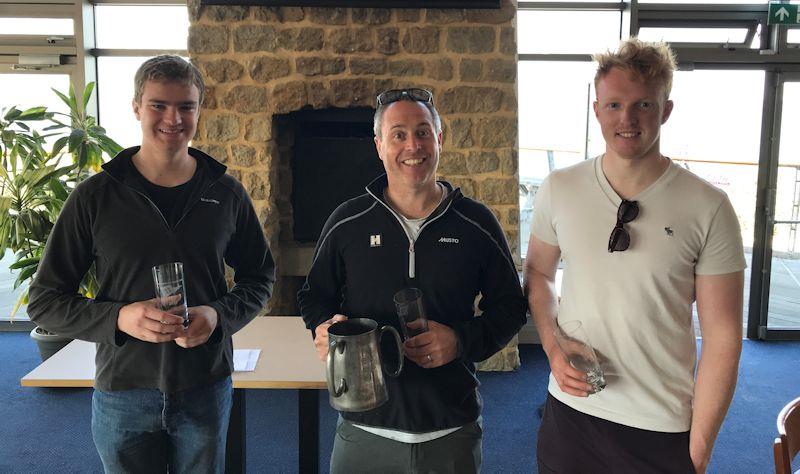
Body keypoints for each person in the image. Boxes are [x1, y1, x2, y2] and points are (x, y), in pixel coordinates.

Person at [27, 55, 275, 473]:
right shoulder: (95, 197)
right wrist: (119, 318)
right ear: (136, 107)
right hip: (122, 389)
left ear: (200, 109)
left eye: (186, 107)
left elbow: (260, 277)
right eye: (159, 105)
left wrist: (217, 315)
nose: (173, 118)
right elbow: (44, 300)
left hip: (205, 385)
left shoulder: (226, 193)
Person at [525, 38, 745, 473]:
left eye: (643, 105)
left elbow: (723, 337)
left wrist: (699, 450)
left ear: (665, 110)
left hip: (661, 425)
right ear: (596, 110)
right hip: (570, 412)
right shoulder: (559, 188)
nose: (627, 119)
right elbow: (539, 275)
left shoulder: (708, 206)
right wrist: (552, 346)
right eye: (613, 105)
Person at [298, 88, 527, 473]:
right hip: (362, 427)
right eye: (398, 134)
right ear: (379, 145)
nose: (412, 145)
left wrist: (460, 341)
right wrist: (323, 327)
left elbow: (511, 308)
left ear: (439, 139)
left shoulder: (477, 223)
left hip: (451, 427)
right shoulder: (347, 221)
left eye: (422, 132)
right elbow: (313, 296)